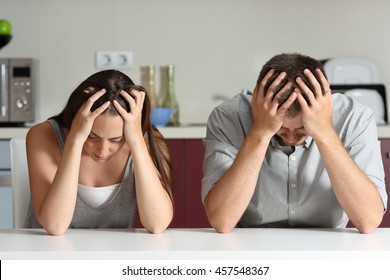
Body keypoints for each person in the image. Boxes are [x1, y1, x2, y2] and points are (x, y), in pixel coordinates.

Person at [202, 53, 388, 234]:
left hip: (329, 247)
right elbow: (222, 221)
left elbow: (369, 220)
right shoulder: (228, 117)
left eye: (301, 130)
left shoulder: (354, 117)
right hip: (251, 247)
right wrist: (260, 131)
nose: (291, 138)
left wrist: (324, 132)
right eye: (281, 129)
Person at [25, 70, 174, 235]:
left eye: (116, 139)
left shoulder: (146, 142)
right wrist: (75, 140)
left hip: (111, 256)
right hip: (43, 254)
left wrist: (137, 141)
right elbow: (55, 226)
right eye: (92, 136)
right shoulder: (42, 135)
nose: (103, 150)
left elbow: (157, 224)